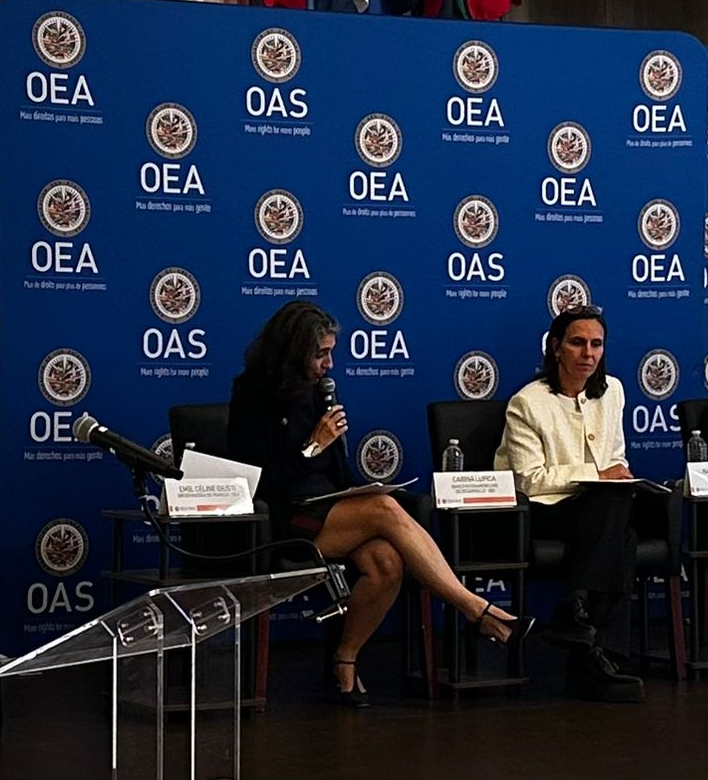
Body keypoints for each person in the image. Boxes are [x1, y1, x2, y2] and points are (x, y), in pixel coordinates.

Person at [226, 301, 533, 706]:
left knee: (386, 562)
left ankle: (345, 659)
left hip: (329, 506)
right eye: (321, 354)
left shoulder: (320, 393)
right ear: (293, 350)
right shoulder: (252, 394)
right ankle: (478, 610)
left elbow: (334, 471)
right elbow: (256, 480)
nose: (329, 364)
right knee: (386, 511)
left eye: (331, 352)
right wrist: (311, 446)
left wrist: (359, 488)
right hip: (283, 516)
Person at [494, 305, 645, 701]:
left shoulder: (613, 391)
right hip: (542, 511)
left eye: (596, 344)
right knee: (615, 518)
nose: (588, 353)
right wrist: (598, 477)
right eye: (578, 343)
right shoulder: (527, 402)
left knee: (619, 520)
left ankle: (580, 623)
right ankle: (601, 656)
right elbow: (528, 480)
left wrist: (612, 477)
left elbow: (616, 458)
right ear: (556, 348)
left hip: (595, 512)